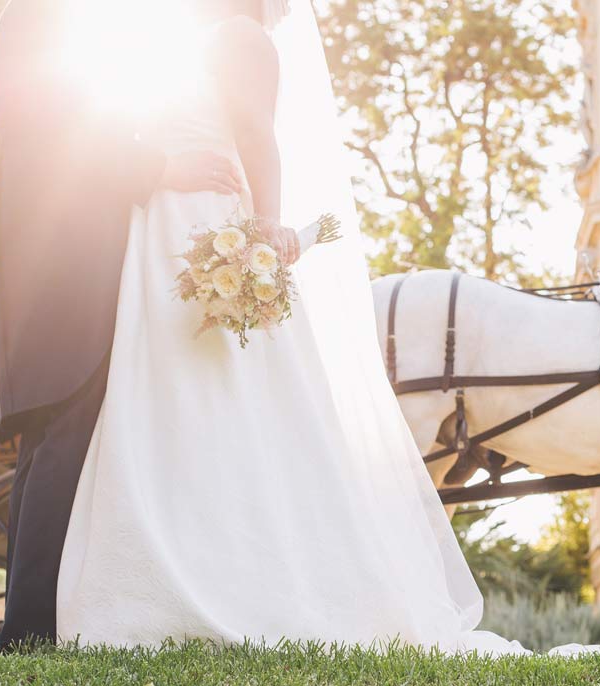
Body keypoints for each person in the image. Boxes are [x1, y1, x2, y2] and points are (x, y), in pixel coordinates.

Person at [53, 0, 513, 652]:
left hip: (203, 226)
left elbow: (256, 136)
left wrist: (261, 237)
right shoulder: (189, 43)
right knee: (168, 391)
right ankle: (161, 570)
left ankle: (235, 581)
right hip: (163, 231)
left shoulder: (239, 38)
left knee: (221, 392)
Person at [0, 0, 243, 651]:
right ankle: (26, 635)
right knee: (63, 431)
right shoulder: (43, 21)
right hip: (65, 267)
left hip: (59, 265)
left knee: (49, 442)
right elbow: (63, 137)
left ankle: (27, 629)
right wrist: (162, 169)